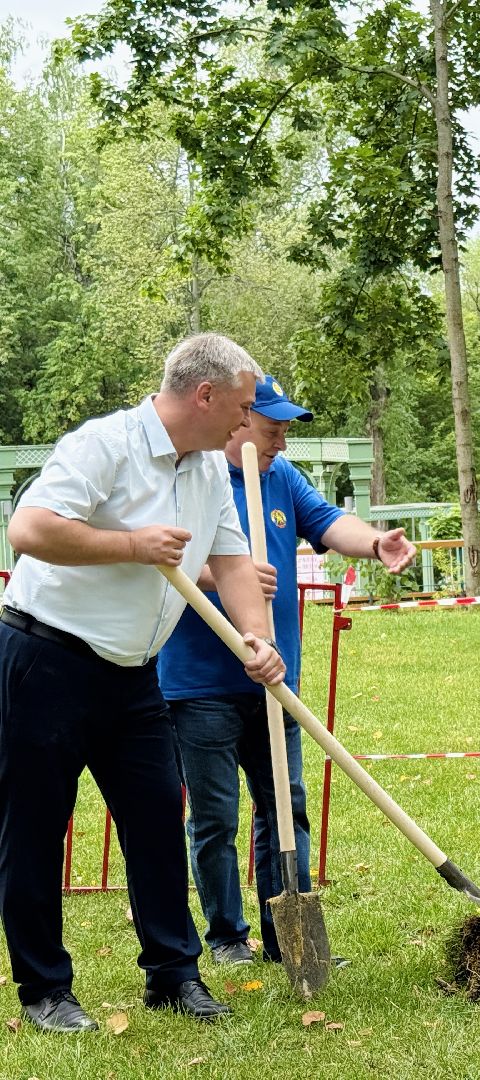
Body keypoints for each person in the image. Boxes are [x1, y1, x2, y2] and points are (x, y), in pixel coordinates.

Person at [0, 333, 285, 1032]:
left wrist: (259, 637)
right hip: (46, 658)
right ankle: (45, 990)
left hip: (133, 676)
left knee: (159, 818)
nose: (247, 424)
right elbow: (29, 529)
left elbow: (233, 559)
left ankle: (174, 974)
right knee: (35, 829)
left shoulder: (208, 470)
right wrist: (131, 545)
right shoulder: (104, 446)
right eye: (243, 409)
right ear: (205, 396)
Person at [158, 375, 417, 965]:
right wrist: (225, 577)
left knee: (285, 805)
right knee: (216, 816)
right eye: (269, 425)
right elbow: (159, 558)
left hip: (275, 679)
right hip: (199, 682)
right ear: (238, 419)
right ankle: (228, 937)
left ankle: (288, 936)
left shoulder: (281, 477)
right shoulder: (188, 478)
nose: (279, 438)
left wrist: (376, 543)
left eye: (282, 427)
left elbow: (327, 522)